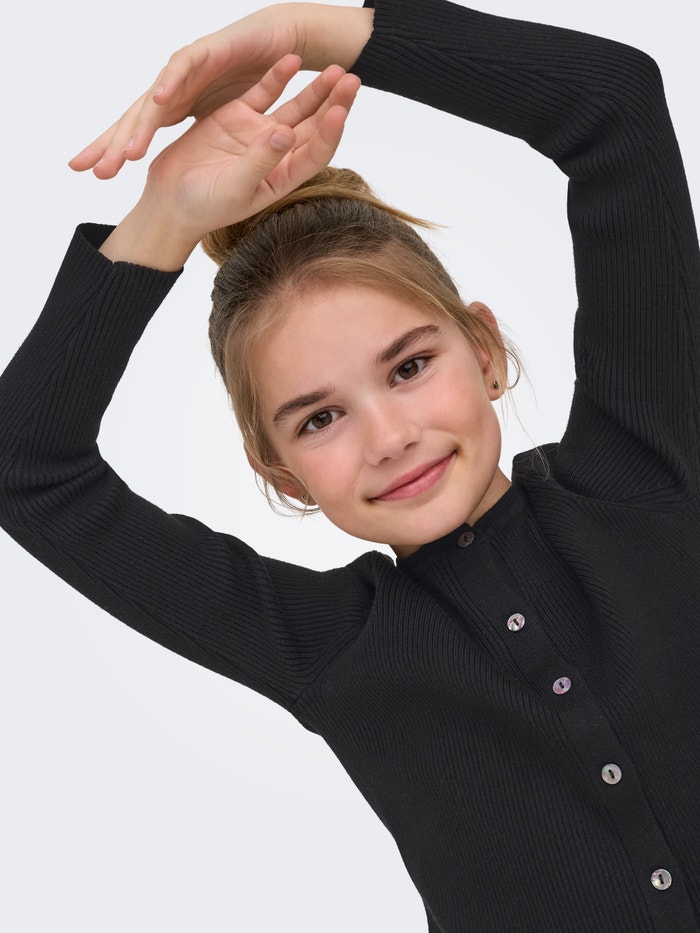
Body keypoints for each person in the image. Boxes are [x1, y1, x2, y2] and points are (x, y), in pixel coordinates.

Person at [1, 1, 699, 930]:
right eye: (320, 417)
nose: (389, 437)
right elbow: (25, 465)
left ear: (484, 350)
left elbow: (614, 106)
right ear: (281, 471)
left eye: (409, 367)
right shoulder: (333, 648)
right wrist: (166, 214)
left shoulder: (640, 476)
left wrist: (312, 32)